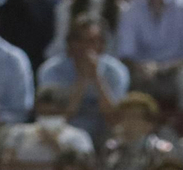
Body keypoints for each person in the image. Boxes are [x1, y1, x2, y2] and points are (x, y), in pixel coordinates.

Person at [38, 14, 129, 144]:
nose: (85, 46)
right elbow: (57, 117)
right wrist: (82, 79)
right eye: (79, 40)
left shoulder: (116, 71)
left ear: (102, 45)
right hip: (64, 134)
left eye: (92, 41)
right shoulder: (51, 71)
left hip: (103, 133)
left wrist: (97, 79)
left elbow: (115, 119)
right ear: (69, 44)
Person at [0, 82, 93, 170]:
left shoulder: (79, 137)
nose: (48, 117)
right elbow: (7, 166)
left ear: (64, 111)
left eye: (53, 113)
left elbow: (83, 169)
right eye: (44, 113)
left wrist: (55, 145)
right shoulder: (19, 132)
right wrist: (53, 167)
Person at [97, 90, 171, 170]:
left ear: (149, 124)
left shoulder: (160, 151)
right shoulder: (109, 149)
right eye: (125, 117)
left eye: (135, 117)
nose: (129, 122)